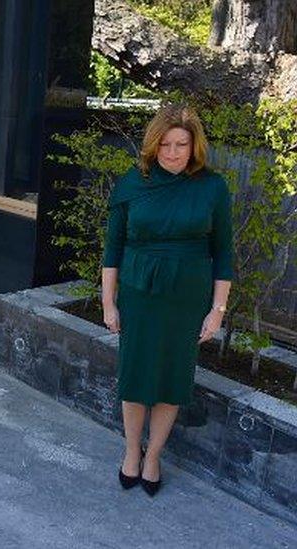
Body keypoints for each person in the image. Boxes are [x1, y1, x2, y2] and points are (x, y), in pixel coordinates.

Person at [101, 104, 233, 496]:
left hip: (186, 299)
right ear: (153, 144)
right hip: (140, 294)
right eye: (165, 144)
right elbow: (113, 251)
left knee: (172, 378)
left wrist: (217, 309)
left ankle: (154, 455)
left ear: (195, 147)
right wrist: (109, 303)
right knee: (136, 375)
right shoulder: (132, 183)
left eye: (181, 144)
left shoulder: (213, 187)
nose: (173, 152)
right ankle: (130, 451)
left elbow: (223, 253)